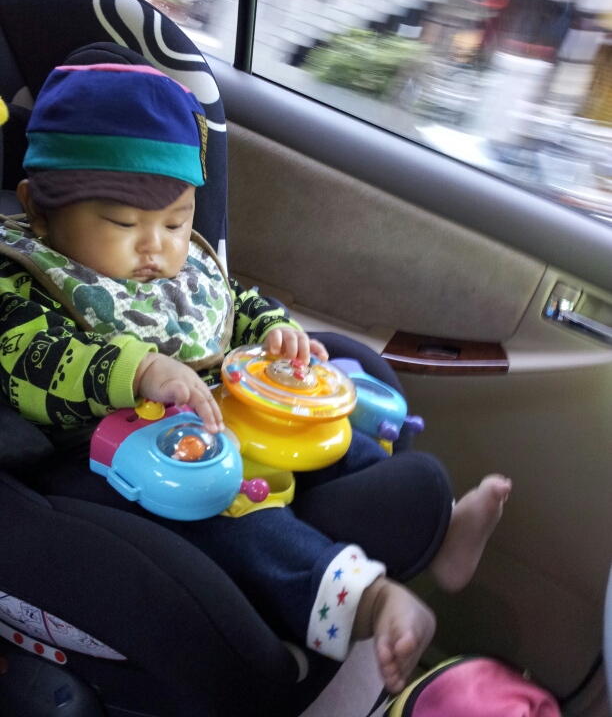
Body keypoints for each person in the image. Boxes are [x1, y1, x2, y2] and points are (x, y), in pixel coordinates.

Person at [0, 60, 511, 694]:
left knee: (324, 431)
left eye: (175, 222)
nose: (155, 247)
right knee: (237, 514)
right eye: (124, 224)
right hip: (128, 452)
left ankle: (444, 531)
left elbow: (233, 301)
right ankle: (370, 601)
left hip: (221, 408)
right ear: (39, 210)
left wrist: (274, 329)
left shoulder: (179, 266)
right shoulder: (24, 278)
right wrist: (138, 369)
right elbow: (32, 357)